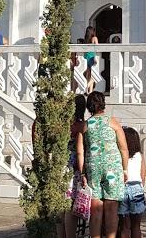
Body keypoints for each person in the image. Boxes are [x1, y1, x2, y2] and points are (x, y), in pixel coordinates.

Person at [76, 91, 129, 238]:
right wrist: (125, 169)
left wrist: (82, 173)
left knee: (96, 210)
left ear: (88, 107)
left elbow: (80, 152)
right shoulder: (113, 122)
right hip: (113, 168)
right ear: (103, 104)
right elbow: (124, 149)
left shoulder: (85, 126)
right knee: (112, 209)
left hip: (93, 168)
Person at [63, 94, 89, 238]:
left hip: (63, 166)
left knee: (62, 206)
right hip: (76, 168)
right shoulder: (82, 126)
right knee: (71, 207)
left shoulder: (64, 124)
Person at [118, 126, 146, 238]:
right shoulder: (139, 155)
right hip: (136, 188)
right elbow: (143, 175)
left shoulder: (119, 156)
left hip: (123, 188)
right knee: (136, 226)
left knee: (124, 226)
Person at [80, 27, 99, 92]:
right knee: (94, 76)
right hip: (92, 57)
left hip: (86, 57)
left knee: (89, 75)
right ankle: (86, 87)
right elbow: (98, 48)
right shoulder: (94, 38)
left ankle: (90, 91)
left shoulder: (86, 39)